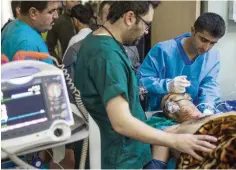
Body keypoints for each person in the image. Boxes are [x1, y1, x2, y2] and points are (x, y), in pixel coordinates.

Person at [74, 2, 217, 169]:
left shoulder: (97, 42)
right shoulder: (108, 57)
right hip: (120, 156)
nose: (147, 31)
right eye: (147, 24)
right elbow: (121, 123)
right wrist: (175, 140)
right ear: (129, 17)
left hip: (128, 145)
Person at [138, 12, 226, 114]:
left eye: (212, 43)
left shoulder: (213, 56)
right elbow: (141, 81)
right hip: (161, 114)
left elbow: (209, 85)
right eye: (203, 40)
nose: (206, 48)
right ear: (193, 30)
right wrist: (167, 86)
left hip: (195, 114)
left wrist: (207, 107)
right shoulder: (163, 50)